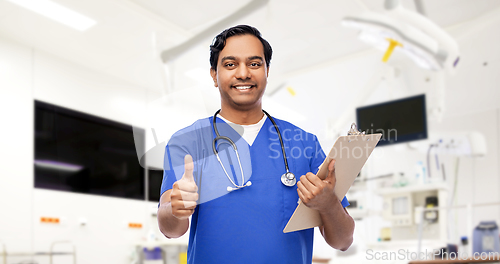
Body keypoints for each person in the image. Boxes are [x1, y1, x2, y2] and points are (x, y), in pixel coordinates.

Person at [157, 25, 354, 264]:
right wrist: (175, 209)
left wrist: (330, 204)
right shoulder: (186, 142)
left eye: (254, 64)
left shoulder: (304, 143)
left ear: (267, 71)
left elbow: (342, 242)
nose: (243, 73)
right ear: (213, 75)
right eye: (230, 64)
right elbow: (171, 229)